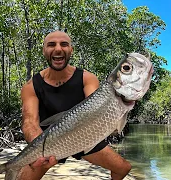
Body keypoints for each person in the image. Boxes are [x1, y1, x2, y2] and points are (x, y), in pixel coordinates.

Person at [19, 30, 132, 180]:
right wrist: (40, 150)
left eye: (64, 44)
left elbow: (97, 109)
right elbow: (29, 122)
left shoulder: (88, 78)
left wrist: (125, 100)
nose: (58, 49)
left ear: (71, 50)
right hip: (49, 139)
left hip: (83, 135)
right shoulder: (30, 86)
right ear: (44, 50)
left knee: (123, 168)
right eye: (51, 45)